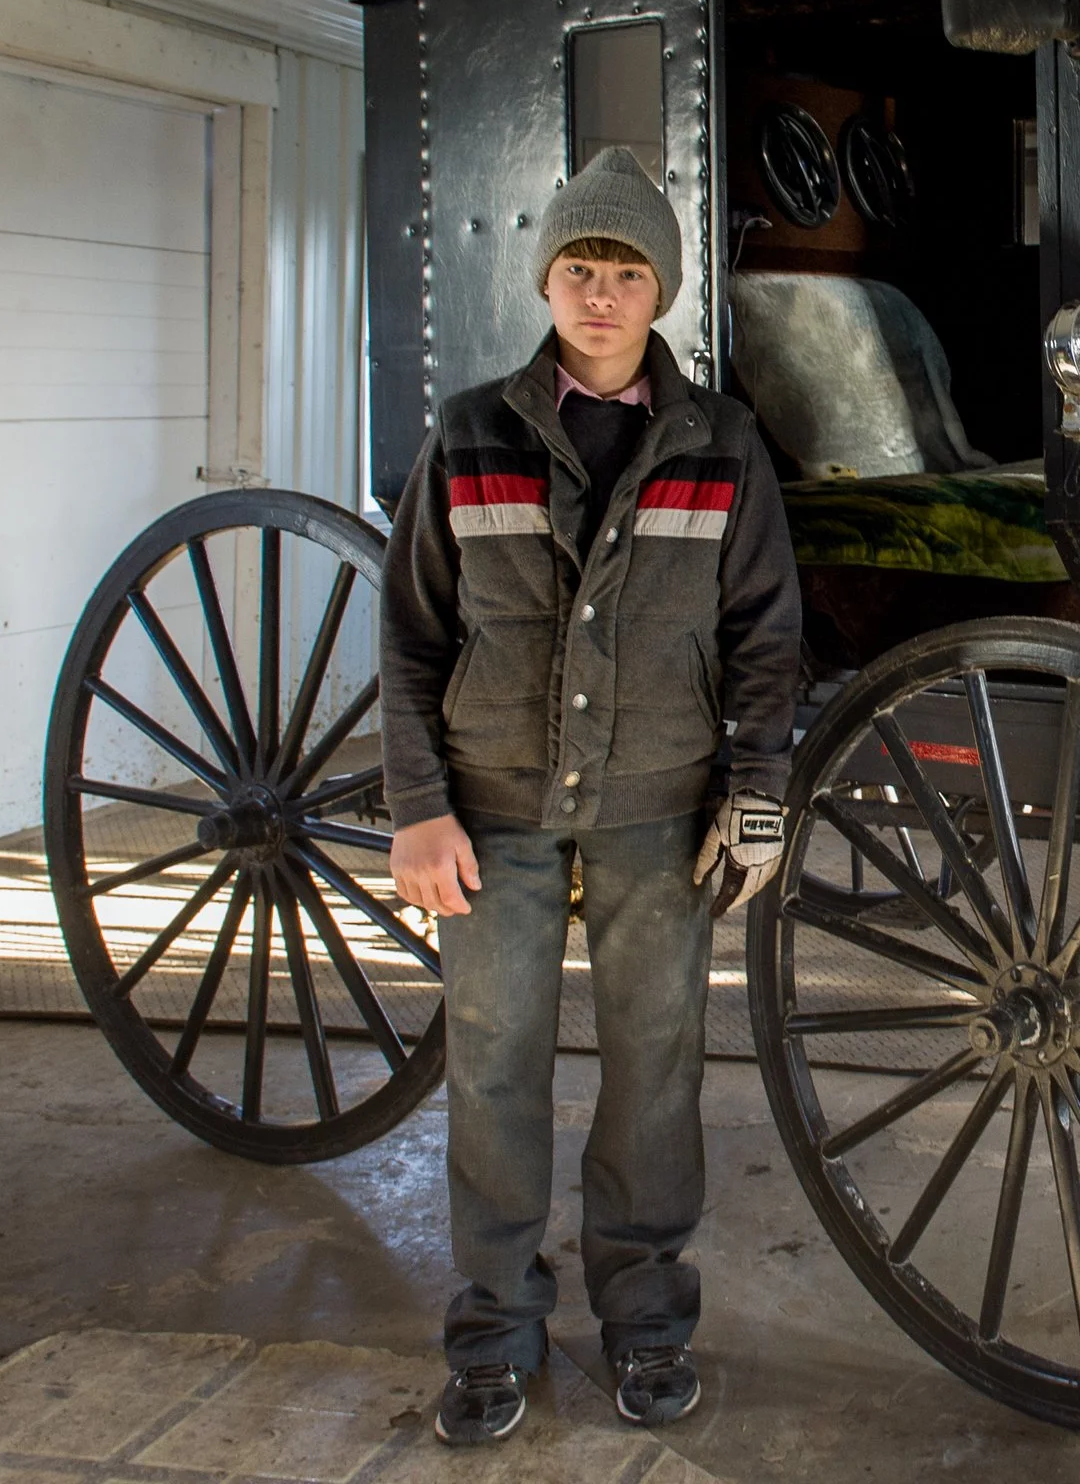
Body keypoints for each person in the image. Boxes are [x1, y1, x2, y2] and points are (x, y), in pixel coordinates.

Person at [378, 146, 801, 1447]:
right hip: (490, 810)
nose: (601, 295)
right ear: (547, 279)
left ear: (660, 288)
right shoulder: (468, 433)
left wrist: (759, 793)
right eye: (579, 269)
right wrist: (416, 808)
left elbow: (766, 641)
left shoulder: (722, 445)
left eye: (625, 272)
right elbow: (410, 639)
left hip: (657, 812)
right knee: (496, 1071)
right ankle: (495, 1329)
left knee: (654, 1073)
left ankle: (647, 1319)